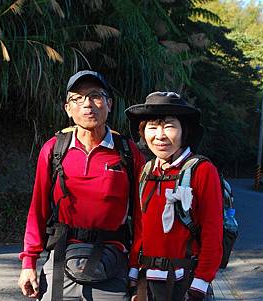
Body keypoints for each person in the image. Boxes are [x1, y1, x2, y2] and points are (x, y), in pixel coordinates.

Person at [18, 70, 144, 301]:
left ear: (109, 104)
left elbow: (142, 215)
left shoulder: (127, 152)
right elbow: (38, 209)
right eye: (78, 98)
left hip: (113, 260)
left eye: (96, 96)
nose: (88, 104)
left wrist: (139, 270)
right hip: (61, 260)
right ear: (68, 108)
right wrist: (29, 262)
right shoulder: (55, 149)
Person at [125, 91, 223, 301]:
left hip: (186, 281)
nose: (159, 135)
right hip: (148, 281)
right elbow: (140, 230)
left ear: (184, 131)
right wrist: (134, 272)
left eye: (169, 126)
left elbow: (213, 232)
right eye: (152, 127)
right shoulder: (146, 171)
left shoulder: (202, 170)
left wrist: (200, 285)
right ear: (143, 132)